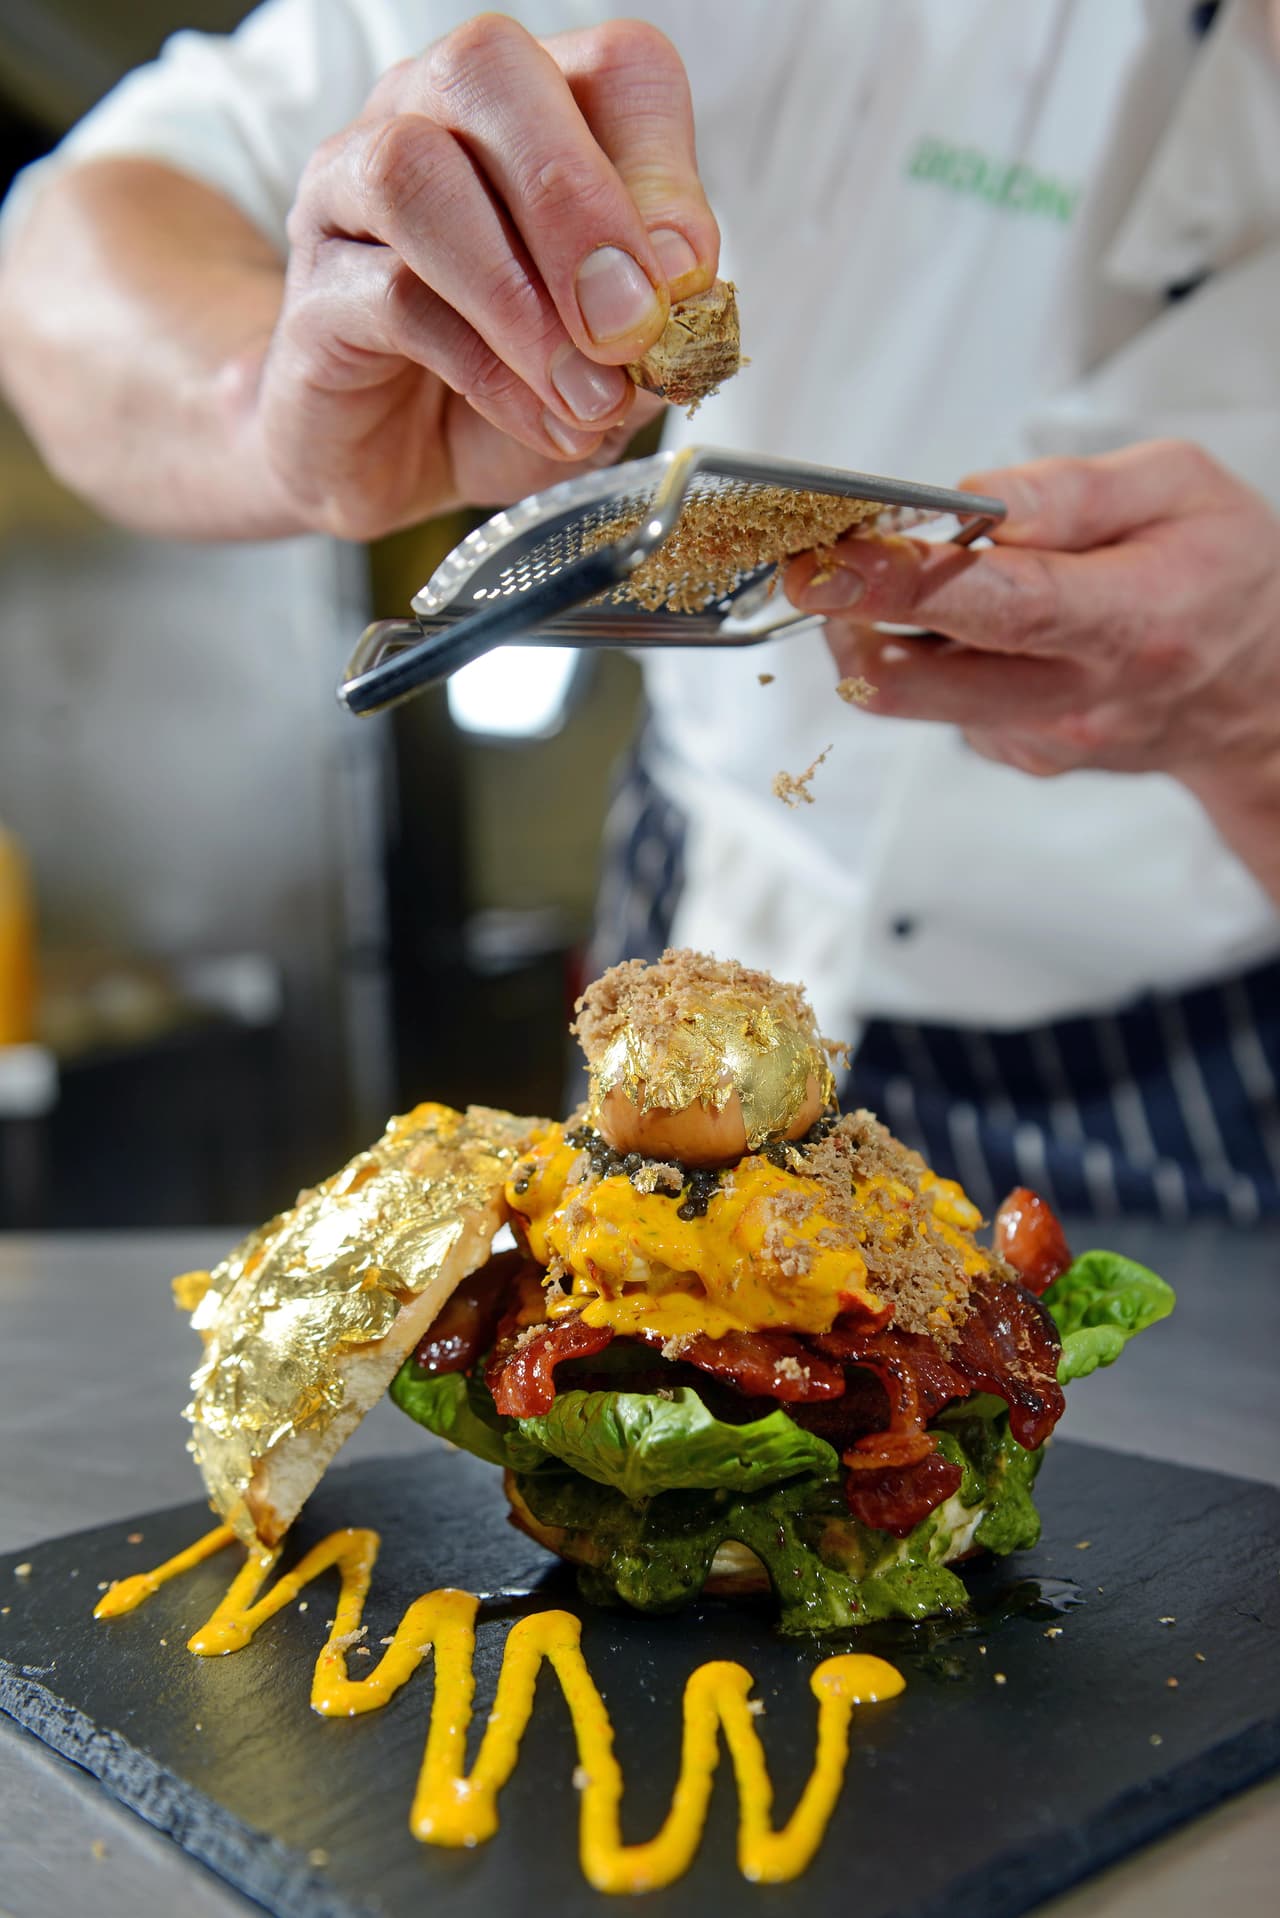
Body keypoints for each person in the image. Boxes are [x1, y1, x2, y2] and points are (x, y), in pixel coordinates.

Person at [1, 0, 1279, 1219]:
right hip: (714, 936)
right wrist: (269, 415)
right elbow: (76, 233)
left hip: (1190, 1055)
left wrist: (1259, 738)